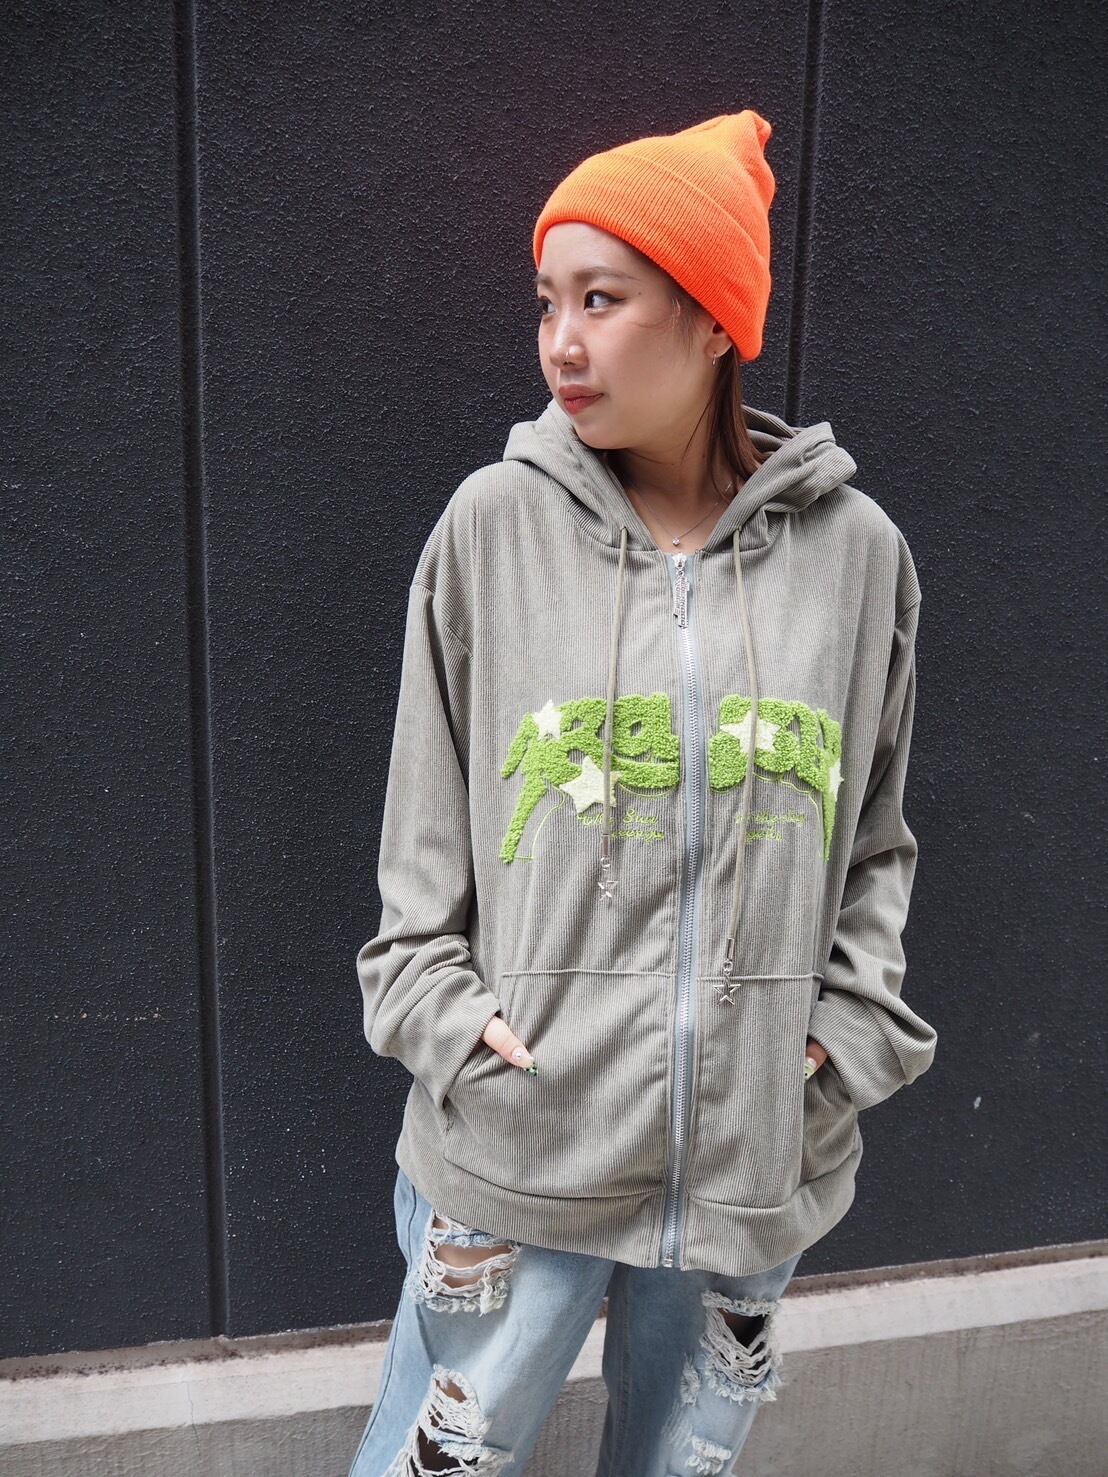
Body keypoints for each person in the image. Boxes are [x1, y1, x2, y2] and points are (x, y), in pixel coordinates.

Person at [347, 109, 938, 1476]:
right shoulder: (491, 529)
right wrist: (450, 1022)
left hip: (748, 1158)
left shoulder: (857, 557)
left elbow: (875, 836)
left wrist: (838, 1041)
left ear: (714, 318)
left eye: (602, 300)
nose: (561, 342)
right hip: (523, 1140)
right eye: (547, 301)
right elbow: (422, 833)